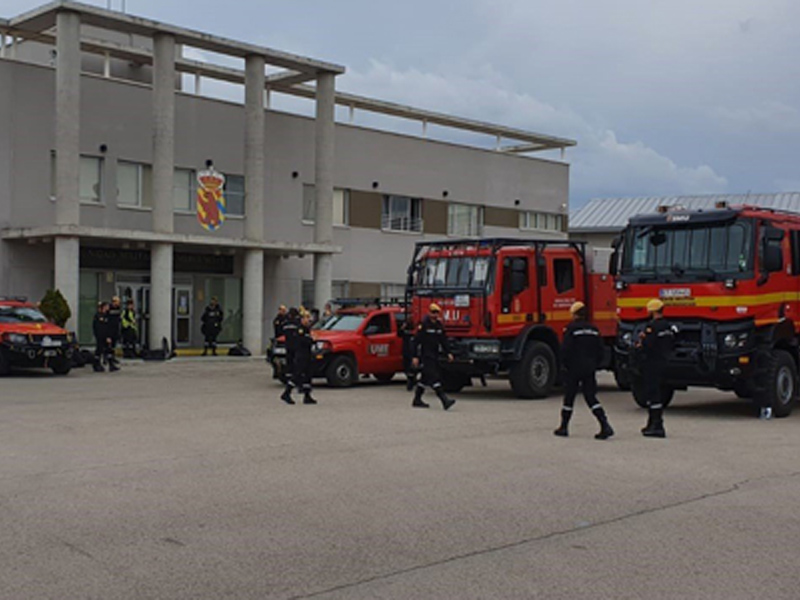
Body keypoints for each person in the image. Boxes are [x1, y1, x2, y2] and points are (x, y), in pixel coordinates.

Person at [554, 301, 614, 440]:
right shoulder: (594, 329)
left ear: (574, 314)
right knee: (591, 397)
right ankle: (605, 425)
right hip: (589, 368)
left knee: (569, 398)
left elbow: (565, 349)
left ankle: (564, 427)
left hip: (574, 368)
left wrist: (563, 366)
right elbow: (601, 350)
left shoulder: (571, 329)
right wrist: (594, 364)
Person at [636, 298, 675, 438]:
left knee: (653, 395)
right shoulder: (668, 326)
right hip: (664, 362)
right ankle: (651, 423)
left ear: (651, 311)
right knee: (657, 391)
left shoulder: (652, 326)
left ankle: (657, 425)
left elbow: (648, 345)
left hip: (652, 363)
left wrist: (642, 341)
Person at [411, 303, 456, 410]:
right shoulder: (424, 325)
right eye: (433, 312)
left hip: (435, 355)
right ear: (429, 313)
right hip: (426, 356)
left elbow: (443, 340)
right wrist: (414, 356)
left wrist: (448, 353)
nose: (434, 315)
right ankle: (444, 400)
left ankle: (417, 400)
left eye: (436, 313)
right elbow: (415, 342)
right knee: (434, 377)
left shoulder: (439, 325)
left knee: (424, 379)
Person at [281, 311, 318, 405]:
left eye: (309, 318)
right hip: (301, 355)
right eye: (306, 318)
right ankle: (286, 393)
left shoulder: (307, 329)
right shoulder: (300, 329)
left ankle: (307, 396)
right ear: (302, 319)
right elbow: (301, 341)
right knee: (297, 375)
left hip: (307, 354)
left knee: (308, 375)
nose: (308, 320)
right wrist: (311, 340)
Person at [92, 302, 119, 372]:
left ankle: (111, 365)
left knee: (109, 350)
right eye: (106, 306)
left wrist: (109, 336)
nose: (108, 308)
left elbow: (108, 327)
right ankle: (96, 365)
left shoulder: (107, 315)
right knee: (99, 350)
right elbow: (100, 328)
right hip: (101, 336)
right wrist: (106, 337)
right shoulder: (99, 316)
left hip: (106, 336)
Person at [280, 307, 301, 394]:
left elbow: (282, 332)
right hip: (296, 347)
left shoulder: (285, 323)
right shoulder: (297, 324)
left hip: (288, 346)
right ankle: (295, 381)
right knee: (297, 364)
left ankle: (288, 379)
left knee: (289, 363)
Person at [401, 318, 418, 391]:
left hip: (412, 352)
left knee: (412, 369)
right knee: (407, 367)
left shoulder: (415, 333)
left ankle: (411, 381)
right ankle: (411, 380)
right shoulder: (406, 332)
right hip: (406, 351)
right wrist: (402, 327)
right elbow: (399, 333)